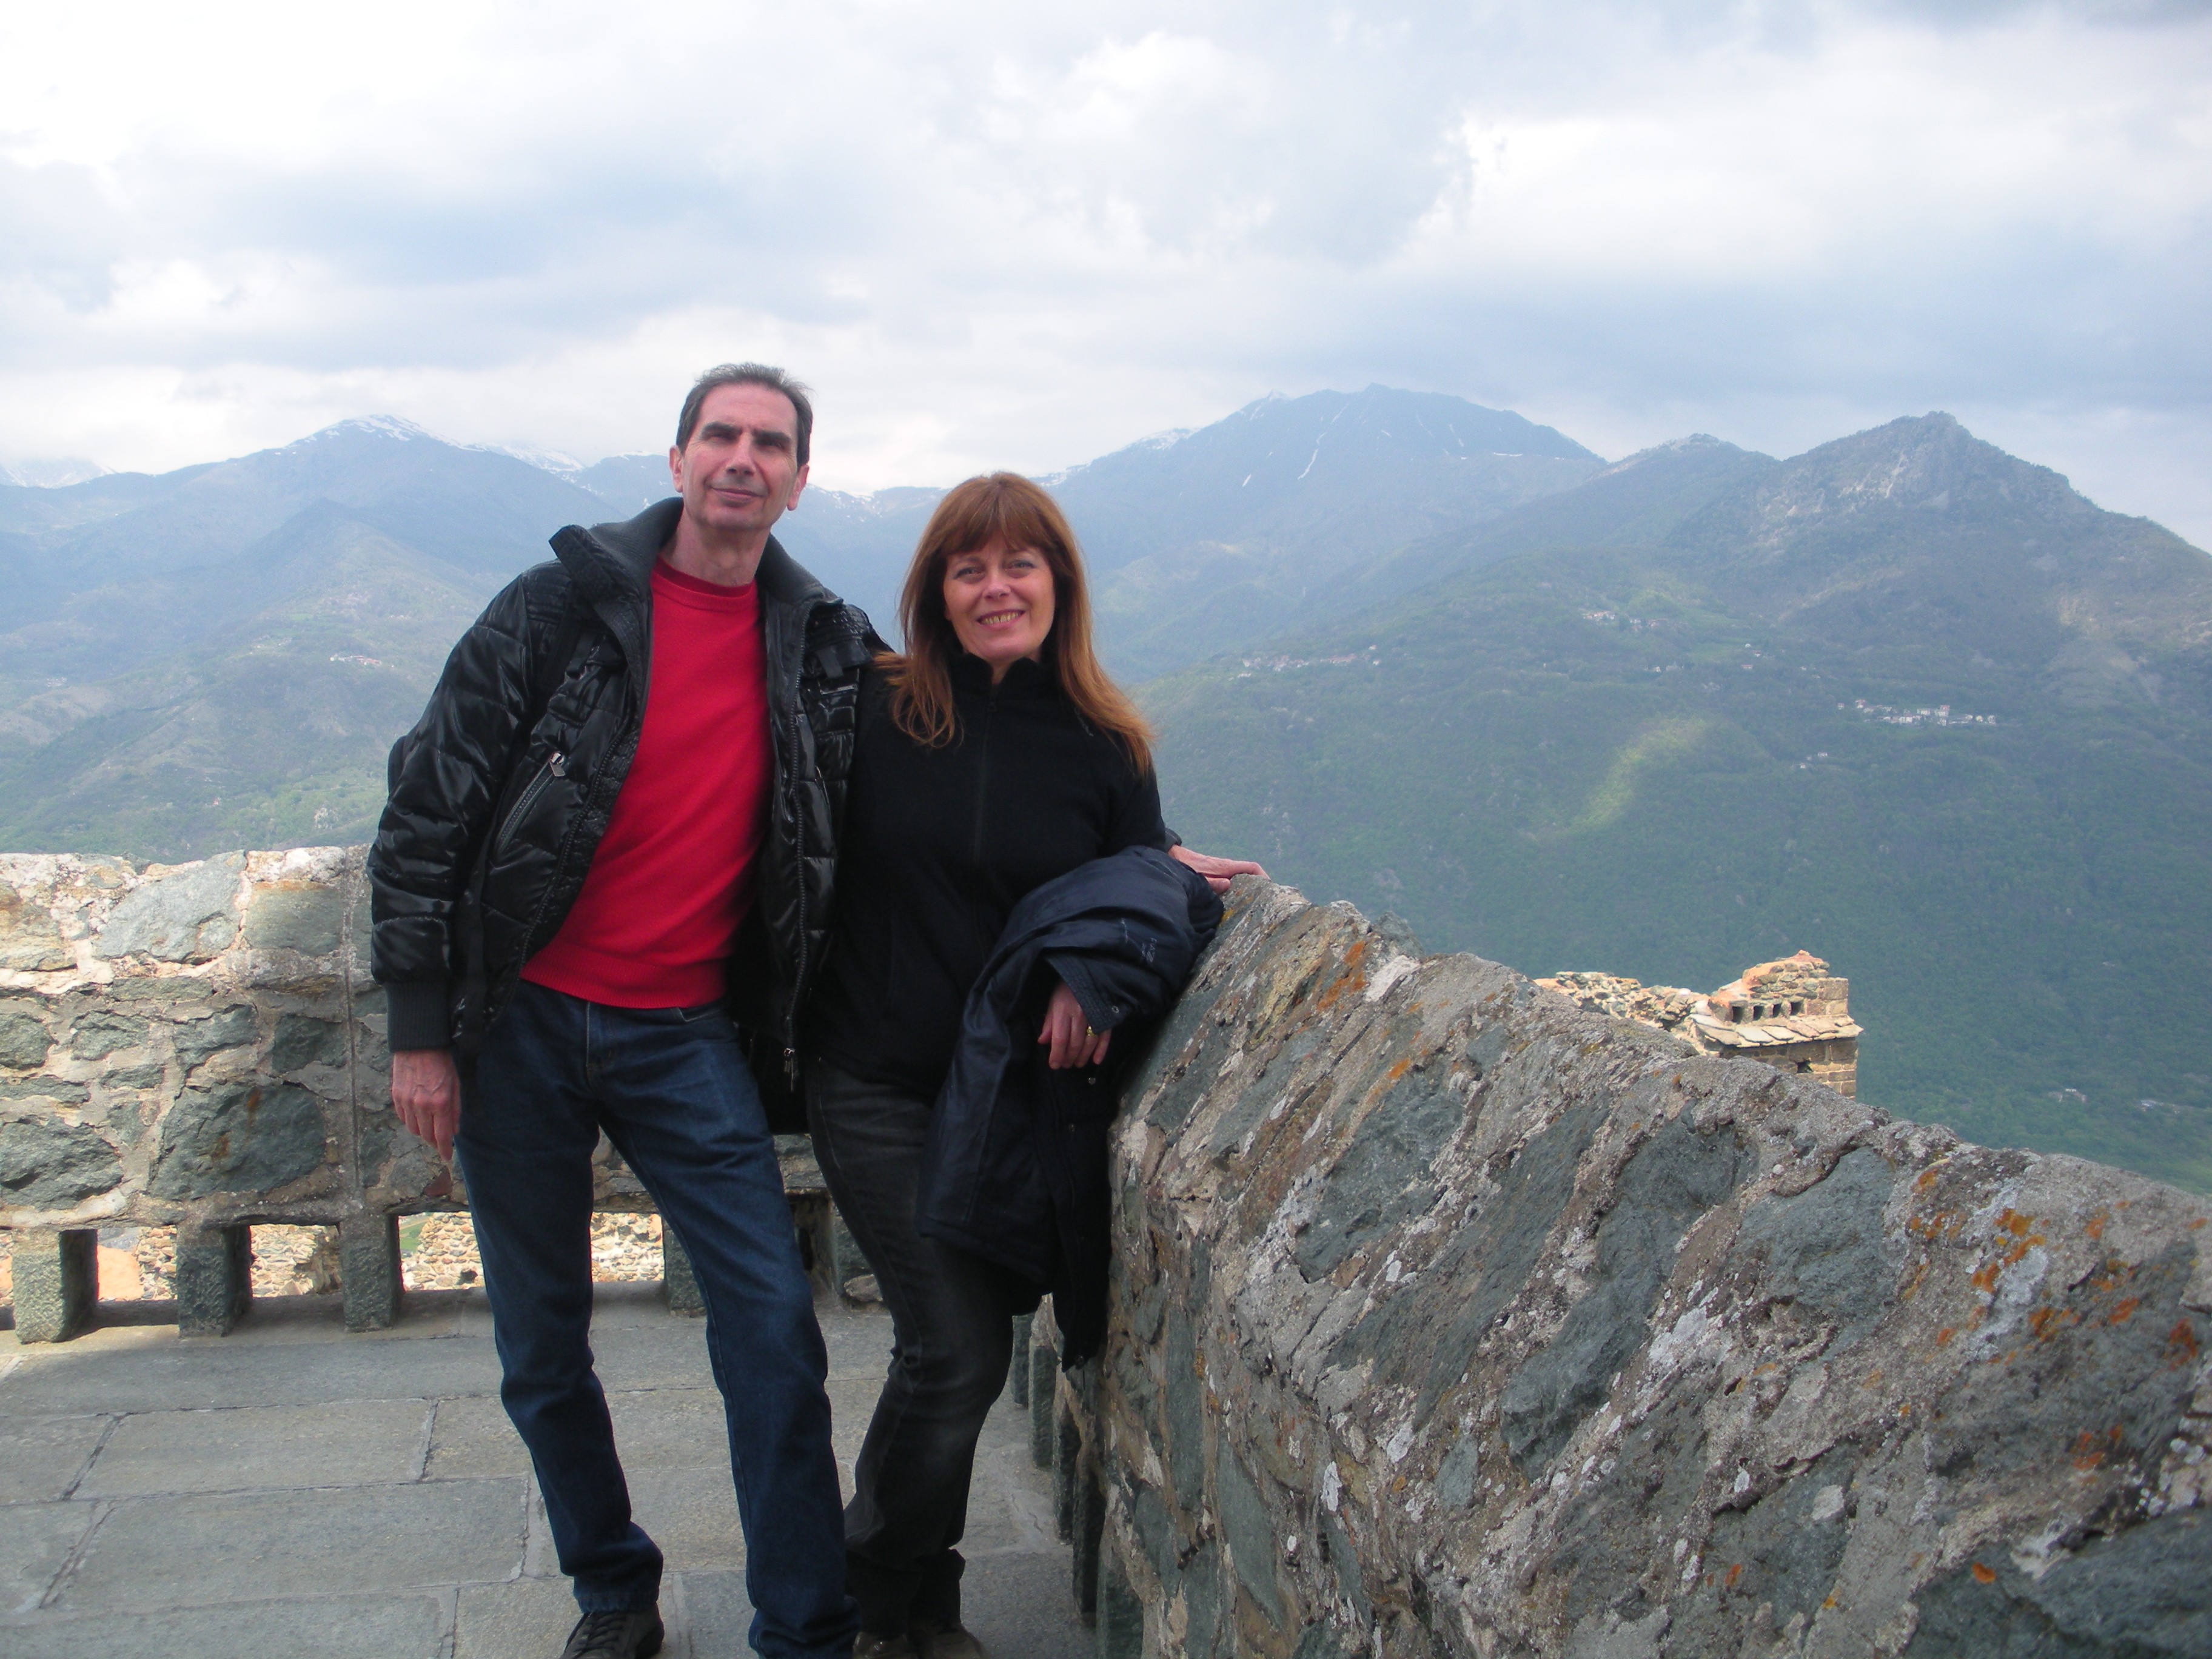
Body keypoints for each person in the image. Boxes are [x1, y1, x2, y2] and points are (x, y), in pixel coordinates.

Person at [369, 364, 873, 1659]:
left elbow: (955, 760)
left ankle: (805, 1631)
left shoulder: (822, 645)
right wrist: (421, 1030)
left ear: (799, 480)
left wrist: (1138, 845)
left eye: (771, 443)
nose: (743, 458)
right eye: (721, 435)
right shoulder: (558, 608)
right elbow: (428, 805)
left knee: (774, 1331)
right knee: (543, 1346)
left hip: (686, 1034)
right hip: (519, 1023)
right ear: (677, 458)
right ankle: (612, 1592)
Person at [803, 475, 1262, 1659]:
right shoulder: (872, 714)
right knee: (955, 1348)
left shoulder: (1108, 746)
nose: (996, 588)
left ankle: (918, 1604)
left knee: (952, 1346)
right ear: (936, 592)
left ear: (1060, 583)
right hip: (873, 1080)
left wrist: (1102, 950)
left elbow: (1135, 888)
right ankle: (876, 1600)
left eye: (1020, 564)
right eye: (970, 568)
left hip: (1002, 1097)